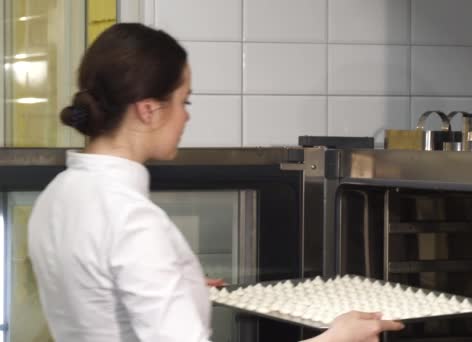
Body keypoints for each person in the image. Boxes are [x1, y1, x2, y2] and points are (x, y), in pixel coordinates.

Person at [27, 23, 404, 342]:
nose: (186, 118)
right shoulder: (133, 222)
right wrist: (332, 339)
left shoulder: (57, 196)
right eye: (183, 102)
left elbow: (96, 295)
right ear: (148, 109)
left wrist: (179, 286)